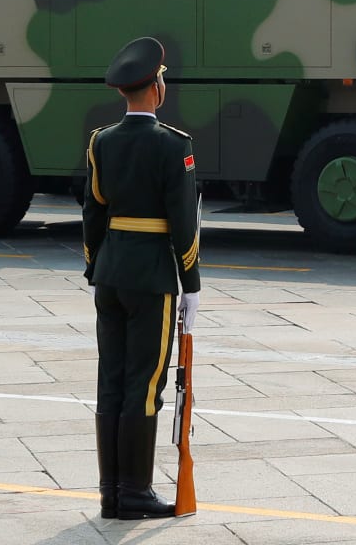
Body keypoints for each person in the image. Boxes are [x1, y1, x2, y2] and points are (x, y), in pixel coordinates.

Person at [83, 36, 202, 520]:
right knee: (145, 384)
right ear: (156, 88)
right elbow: (182, 221)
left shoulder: (101, 141)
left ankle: (111, 491)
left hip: (110, 274)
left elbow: (93, 212)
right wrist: (190, 283)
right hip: (152, 278)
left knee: (110, 380)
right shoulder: (174, 146)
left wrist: (95, 266)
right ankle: (134, 493)